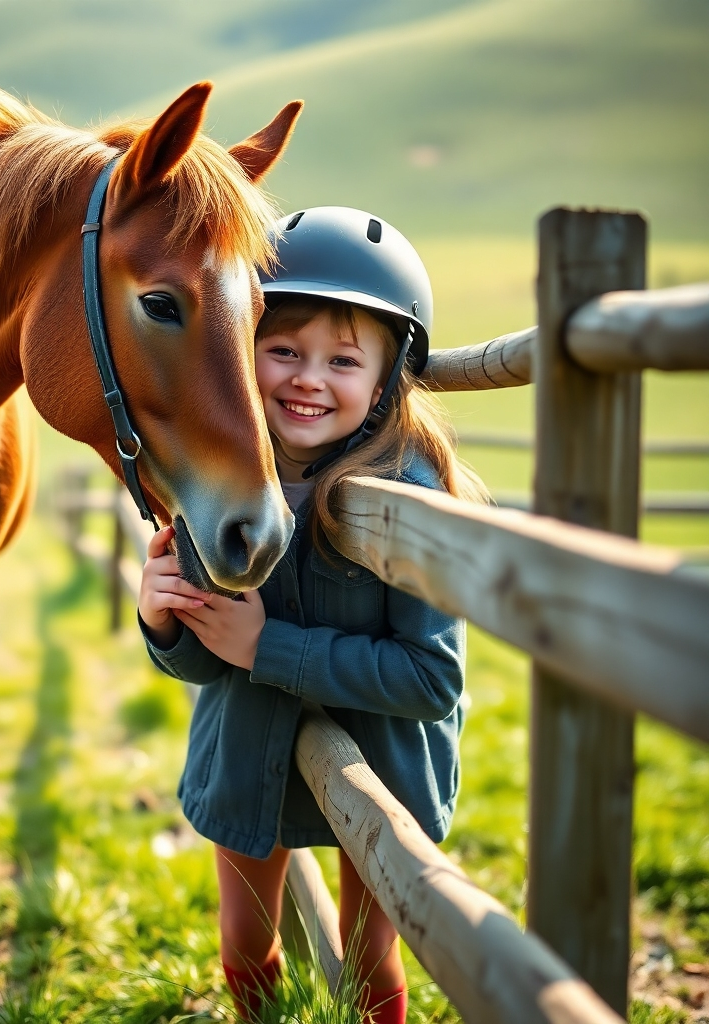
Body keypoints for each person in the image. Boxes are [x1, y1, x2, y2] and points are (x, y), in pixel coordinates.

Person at [138, 207, 487, 1023]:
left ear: (387, 375)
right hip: (245, 750)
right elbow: (203, 657)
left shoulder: (409, 495)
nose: (308, 378)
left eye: (343, 360)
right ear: (241, 350)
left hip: (384, 765)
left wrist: (269, 645)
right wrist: (163, 624)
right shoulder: (218, 483)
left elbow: (432, 678)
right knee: (244, 944)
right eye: (284, 350)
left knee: (371, 962)